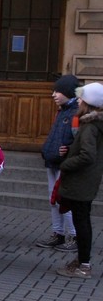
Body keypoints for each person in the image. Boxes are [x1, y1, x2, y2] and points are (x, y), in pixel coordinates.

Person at [55, 82, 103, 279]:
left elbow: (88, 155)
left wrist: (66, 163)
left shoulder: (90, 127)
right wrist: (70, 150)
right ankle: (82, 260)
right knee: (81, 220)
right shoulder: (91, 124)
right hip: (85, 180)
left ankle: (84, 264)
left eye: (81, 98)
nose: (78, 101)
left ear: (88, 102)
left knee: (81, 222)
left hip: (82, 181)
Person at [37, 74, 81, 251]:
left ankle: (74, 236)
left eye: (58, 91)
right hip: (53, 162)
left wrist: (69, 150)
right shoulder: (62, 111)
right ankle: (58, 233)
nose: (53, 95)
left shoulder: (75, 113)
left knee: (65, 201)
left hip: (65, 164)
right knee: (53, 200)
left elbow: (80, 140)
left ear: (68, 92)